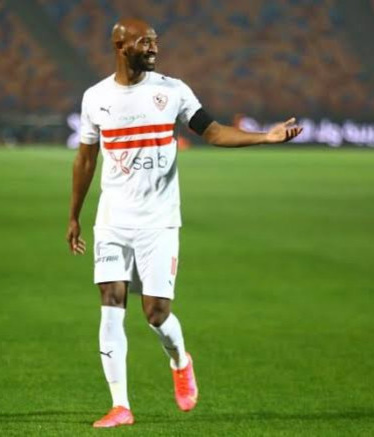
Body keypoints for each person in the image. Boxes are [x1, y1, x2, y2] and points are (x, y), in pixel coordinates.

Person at [66, 18, 302, 428]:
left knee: (156, 313)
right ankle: (120, 406)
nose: (154, 49)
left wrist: (265, 137)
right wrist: (74, 215)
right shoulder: (95, 98)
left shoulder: (172, 91)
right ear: (121, 46)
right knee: (110, 305)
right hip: (112, 221)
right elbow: (85, 159)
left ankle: (180, 360)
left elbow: (213, 132)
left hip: (158, 221)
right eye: (145, 42)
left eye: (155, 42)